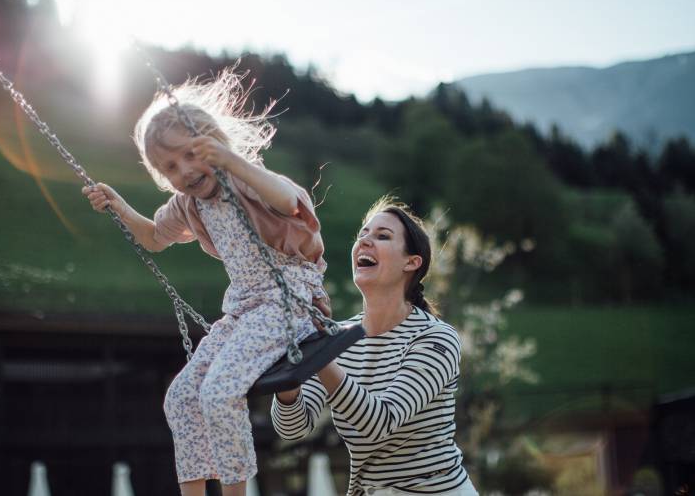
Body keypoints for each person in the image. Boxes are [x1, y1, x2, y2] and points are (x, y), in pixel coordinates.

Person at [83, 69, 328, 496]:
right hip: (244, 310)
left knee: (220, 392)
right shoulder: (188, 204)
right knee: (180, 397)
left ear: (211, 143)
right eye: (169, 168)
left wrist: (231, 161)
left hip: (290, 301)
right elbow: (155, 238)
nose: (183, 173)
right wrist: (119, 206)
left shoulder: (243, 179)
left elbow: (290, 202)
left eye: (188, 156)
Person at [272, 197, 480, 496]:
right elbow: (293, 428)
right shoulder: (338, 340)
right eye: (363, 235)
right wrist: (290, 374)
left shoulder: (436, 339)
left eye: (382, 236)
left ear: (412, 262)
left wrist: (318, 354)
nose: (365, 241)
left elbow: (380, 423)